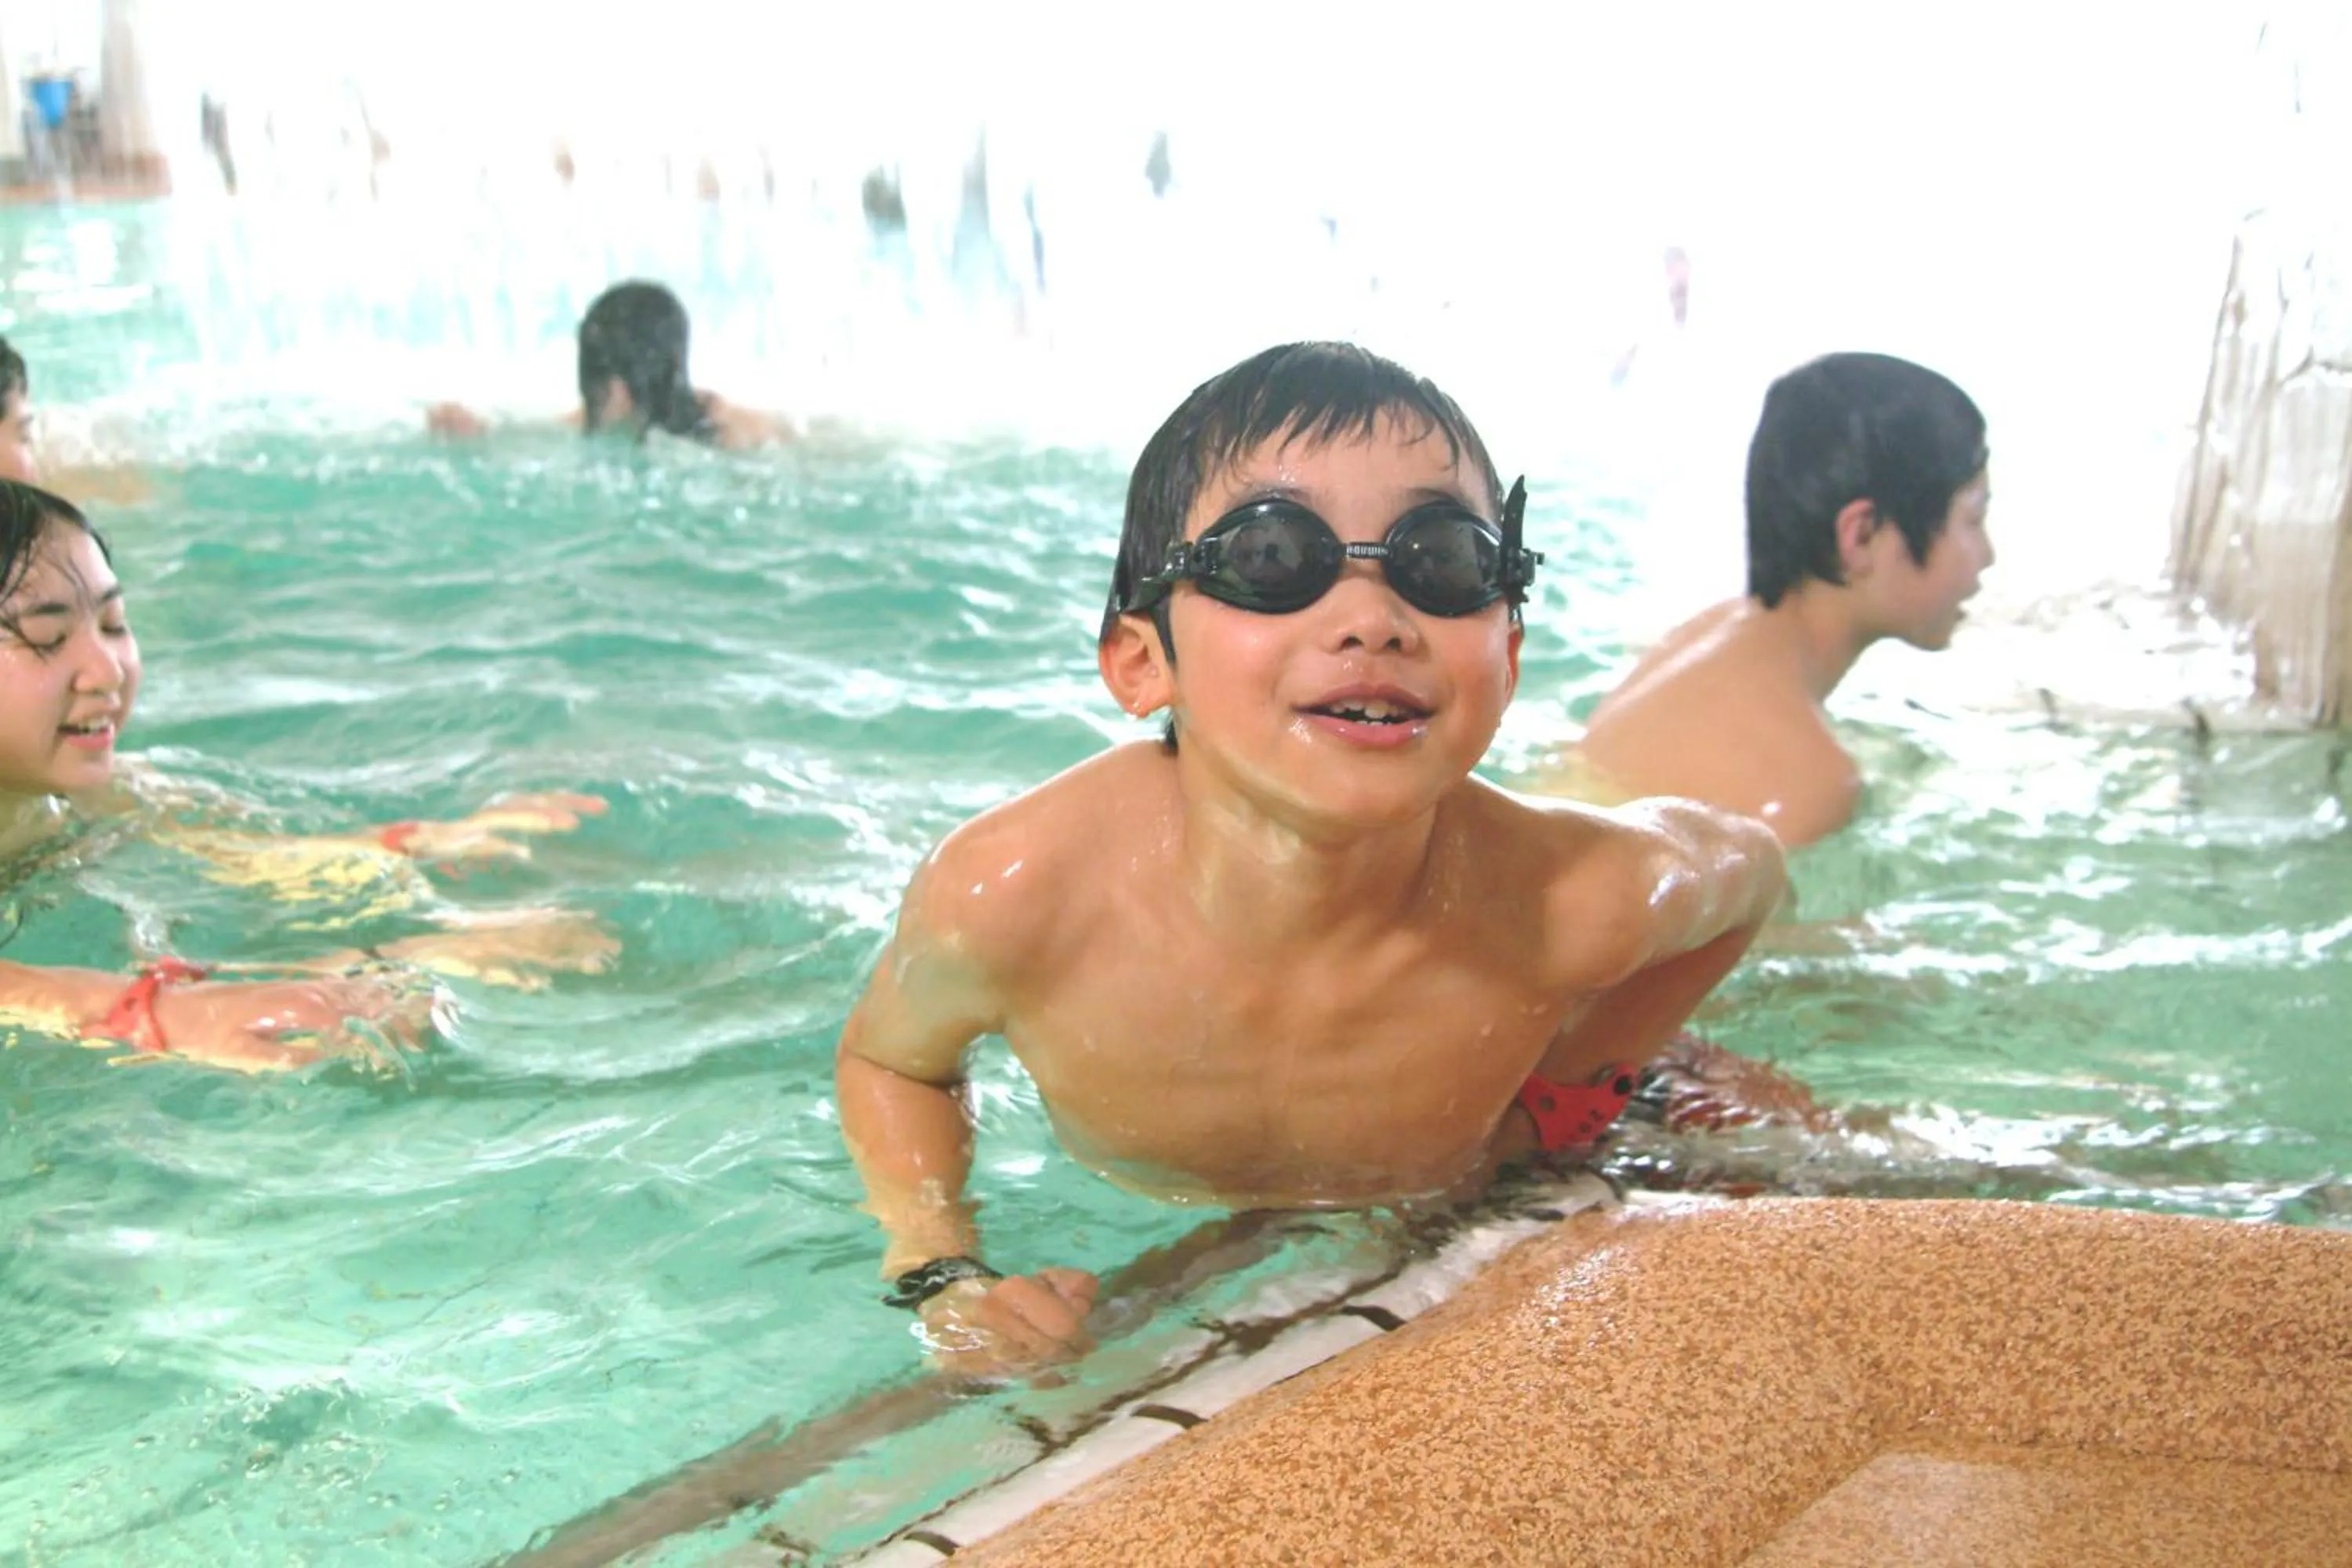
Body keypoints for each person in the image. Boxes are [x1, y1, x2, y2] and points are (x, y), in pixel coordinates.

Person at [833, 342, 1785, 1375]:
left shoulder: (1566, 902)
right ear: (1142, 660)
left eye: (1445, 562)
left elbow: (1752, 874)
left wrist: (1567, 1096)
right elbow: (892, 1061)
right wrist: (936, 1264)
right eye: (1276, 558)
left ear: (1507, 655)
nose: (1374, 622)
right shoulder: (1015, 896)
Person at [0, 477, 615, 1072]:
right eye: (49, 638)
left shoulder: (83, 792)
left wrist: (410, 852)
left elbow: (246, 854)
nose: (107, 671)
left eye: (113, 624)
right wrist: (158, 1013)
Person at [1559, 351, 1994, 850]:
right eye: (1974, 520)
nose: (1987, 555)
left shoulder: (1711, 632)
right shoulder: (1806, 782)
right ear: (1862, 535)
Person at [425, 281, 792, 448]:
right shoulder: (592, 418)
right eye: (600, 376)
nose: (611, 391)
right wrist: (474, 430)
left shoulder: (729, 429)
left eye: (620, 375)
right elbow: (528, 435)